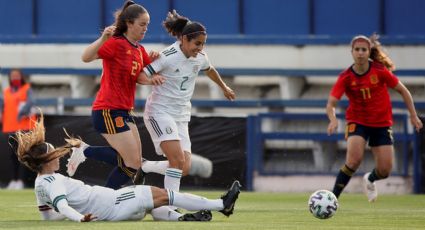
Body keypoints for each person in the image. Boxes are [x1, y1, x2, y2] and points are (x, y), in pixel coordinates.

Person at [14, 112, 241, 222]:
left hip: (113, 205)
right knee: (165, 194)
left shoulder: (40, 184)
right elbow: (62, 206)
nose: (58, 157)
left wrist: (80, 213)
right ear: (46, 161)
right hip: (114, 204)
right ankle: (222, 204)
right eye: (54, 153)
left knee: (156, 202)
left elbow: (49, 218)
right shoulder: (53, 181)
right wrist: (80, 218)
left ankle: (182, 220)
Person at [138, 10, 235, 202]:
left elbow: (210, 69)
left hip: (181, 115)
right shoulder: (167, 56)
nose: (200, 48)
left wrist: (224, 87)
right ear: (183, 39)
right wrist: (152, 79)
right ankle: (170, 205)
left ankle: (145, 167)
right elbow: (141, 74)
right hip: (160, 112)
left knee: (184, 168)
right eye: (197, 43)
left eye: (203, 44)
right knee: (177, 161)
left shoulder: (200, 57)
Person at [69, 0, 164, 189]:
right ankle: (85, 151)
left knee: (134, 165)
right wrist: (103, 38)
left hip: (124, 111)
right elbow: (86, 57)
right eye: (142, 24)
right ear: (129, 23)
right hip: (108, 109)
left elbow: (140, 77)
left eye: (147, 25)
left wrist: (152, 77)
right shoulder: (116, 43)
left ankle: (106, 198)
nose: (146, 29)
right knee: (134, 163)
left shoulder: (139, 49)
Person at [326, 34, 423, 202]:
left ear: (369, 51)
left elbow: (404, 91)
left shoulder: (379, 70)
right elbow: (331, 103)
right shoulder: (346, 77)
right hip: (358, 121)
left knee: (385, 170)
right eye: (357, 50)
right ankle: (332, 198)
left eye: (364, 49)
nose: (360, 53)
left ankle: (370, 179)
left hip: (381, 123)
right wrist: (333, 119)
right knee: (354, 160)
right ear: (352, 52)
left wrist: (413, 115)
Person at [0, 68, 36, 189]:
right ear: (10, 78)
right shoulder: (6, 92)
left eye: (17, 76)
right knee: (12, 155)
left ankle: (21, 180)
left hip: (24, 127)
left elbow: (31, 102)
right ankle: (14, 180)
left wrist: (22, 113)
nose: (15, 78)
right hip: (10, 127)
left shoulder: (27, 89)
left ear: (21, 77)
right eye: (13, 76)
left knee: (23, 155)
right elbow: (2, 107)